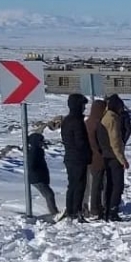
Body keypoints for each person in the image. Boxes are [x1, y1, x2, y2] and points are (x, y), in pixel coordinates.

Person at [97, 94, 129, 221]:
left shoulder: (105, 116)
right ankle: (112, 211)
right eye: (121, 107)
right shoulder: (113, 119)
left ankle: (107, 208)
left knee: (109, 184)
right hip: (113, 157)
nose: (122, 110)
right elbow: (115, 142)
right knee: (117, 185)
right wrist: (123, 160)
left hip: (106, 155)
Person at [60, 93, 91, 222]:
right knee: (79, 186)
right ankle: (76, 212)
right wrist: (88, 153)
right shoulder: (77, 121)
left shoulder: (66, 120)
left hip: (70, 157)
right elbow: (80, 142)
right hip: (78, 158)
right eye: (83, 105)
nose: (84, 108)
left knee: (72, 185)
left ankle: (71, 210)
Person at [84, 99, 107, 219]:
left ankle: (91, 207)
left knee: (91, 184)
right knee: (97, 185)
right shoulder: (98, 124)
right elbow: (99, 142)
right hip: (98, 158)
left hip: (88, 157)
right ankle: (95, 208)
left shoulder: (87, 122)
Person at [27, 132, 58, 217]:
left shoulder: (38, 150)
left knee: (49, 194)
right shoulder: (34, 151)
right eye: (41, 141)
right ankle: (54, 213)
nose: (43, 142)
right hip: (37, 178)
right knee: (49, 194)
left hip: (40, 177)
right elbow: (31, 165)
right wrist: (38, 172)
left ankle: (54, 212)